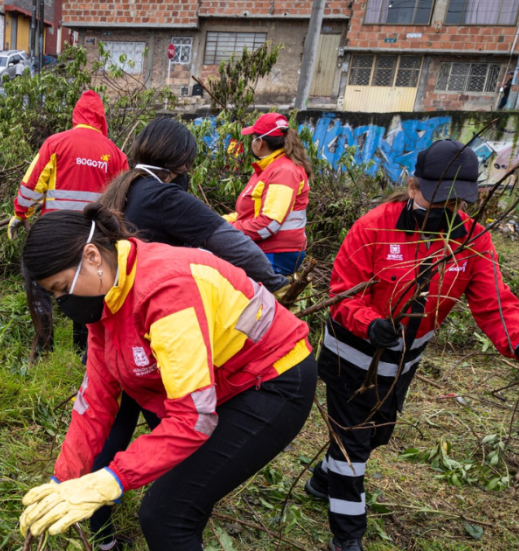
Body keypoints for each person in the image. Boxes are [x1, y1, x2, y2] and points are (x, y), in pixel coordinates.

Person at [305, 139, 519, 551]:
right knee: (352, 443)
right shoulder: (374, 227)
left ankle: (324, 480)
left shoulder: (472, 239)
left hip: (403, 363)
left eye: (455, 202)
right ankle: (347, 538)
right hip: (352, 357)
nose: (446, 210)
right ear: (413, 187)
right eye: (437, 199)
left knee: (373, 435)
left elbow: (494, 300)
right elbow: (342, 293)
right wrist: (370, 322)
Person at [18, 203, 317, 551]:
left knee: (165, 513)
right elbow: (95, 402)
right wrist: (63, 478)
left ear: (92, 256)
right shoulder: (107, 298)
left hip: (273, 379)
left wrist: (111, 479)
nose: (62, 301)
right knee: (178, 503)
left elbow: (192, 417)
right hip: (225, 381)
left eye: (62, 287)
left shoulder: (165, 290)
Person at [87, 116, 291, 549]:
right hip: (155, 333)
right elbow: (238, 247)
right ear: (183, 162)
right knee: (177, 426)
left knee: (113, 423)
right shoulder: (164, 196)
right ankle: (173, 504)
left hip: (118, 327)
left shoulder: (121, 189)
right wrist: (269, 284)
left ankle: (103, 528)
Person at [8, 90, 129, 356]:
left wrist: (20, 214)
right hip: (92, 239)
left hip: (53, 234)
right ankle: (84, 350)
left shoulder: (55, 143)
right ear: (101, 119)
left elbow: (31, 185)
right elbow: (122, 201)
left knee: (40, 284)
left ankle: (43, 345)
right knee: (85, 286)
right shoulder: (115, 154)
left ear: (76, 116)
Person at [223, 113, 312, 276]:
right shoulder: (270, 168)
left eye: (253, 137)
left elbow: (269, 223)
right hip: (266, 249)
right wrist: (218, 223)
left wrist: (226, 231)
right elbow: (250, 214)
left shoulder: (283, 172)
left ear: (261, 142)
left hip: (275, 254)